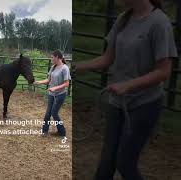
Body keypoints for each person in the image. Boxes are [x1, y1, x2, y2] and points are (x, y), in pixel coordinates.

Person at [75, 0, 178, 179]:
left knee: (125, 162)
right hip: (117, 102)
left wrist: (128, 85)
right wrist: (76, 67)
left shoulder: (160, 23)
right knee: (107, 161)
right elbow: (108, 58)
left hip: (144, 104)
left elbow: (164, 71)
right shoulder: (124, 18)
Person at [34, 49, 71, 138]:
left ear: (57, 57)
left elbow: (67, 83)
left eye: (52, 57)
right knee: (48, 114)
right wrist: (38, 82)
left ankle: (62, 132)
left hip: (60, 95)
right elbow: (48, 80)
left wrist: (55, 88)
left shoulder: (65, 68)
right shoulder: (53, 67)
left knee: (54, 113)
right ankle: (44, 131)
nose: (51, 58)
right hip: (51, 94)